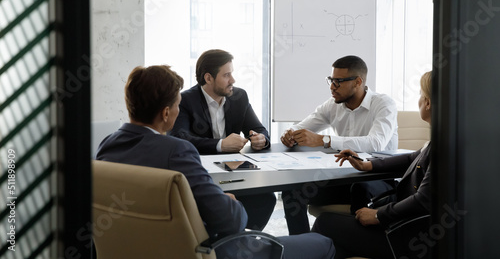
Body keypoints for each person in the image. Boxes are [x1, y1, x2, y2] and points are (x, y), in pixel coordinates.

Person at [96, 65, 335, 259]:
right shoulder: (176, 152)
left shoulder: (107, 146)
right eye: (177, 105)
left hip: (139, 249)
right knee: (322, 242)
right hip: (207, 251)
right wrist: (229, 202)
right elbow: (232, 221)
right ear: (166, 113)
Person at [311, 70, 432, 259]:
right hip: (405, 223)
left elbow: (424, 200)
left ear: (428, 102)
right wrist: (368, 165)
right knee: (339, 242)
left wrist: (378, 215)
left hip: (406, 235)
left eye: (420, 94)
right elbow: (411, 158)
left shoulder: (445, 146)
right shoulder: (444, 138)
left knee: (324, 223)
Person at [280, 55, 398, 234]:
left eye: (338, 82)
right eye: (331, 80)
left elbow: (376, 142)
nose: (332, 87)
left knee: (359, 188)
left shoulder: (383, 104)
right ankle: (304, 244)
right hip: (345, 177)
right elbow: (301, 126)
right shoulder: (333, 105)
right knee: (292, 192)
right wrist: (290, 134)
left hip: (378, 177)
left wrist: (324, 140)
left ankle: (354, 242)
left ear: (358, 82)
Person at [171, 49, 276, 231]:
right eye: (226, 75)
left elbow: (259, 129)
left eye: (232, 73)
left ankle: (243, 239)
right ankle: (228, 238)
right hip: (201, 174)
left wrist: (261, 139)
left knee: (267, 197)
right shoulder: (186, 100)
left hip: (234, 172)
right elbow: (180, 139)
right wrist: (220, 145)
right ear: (208, 78)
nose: (233, 80)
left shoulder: (239, 97)